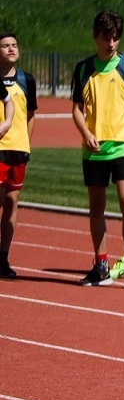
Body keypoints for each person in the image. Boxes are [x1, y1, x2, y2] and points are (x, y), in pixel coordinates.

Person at [71, 10, 124, 289]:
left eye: (116, 38)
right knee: (97, 207)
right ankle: (101, 264)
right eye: (107, 38)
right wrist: (86, 132)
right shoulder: (83, 69)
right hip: (93, 149)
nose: (112, 43)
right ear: (95, 37)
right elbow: (77, 110)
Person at [0, 31, 33, 280]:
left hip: (19, 149)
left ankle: (3, 258)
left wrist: (26, 143)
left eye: (14, 45)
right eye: (5, 46)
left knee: (12, 202)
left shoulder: (26, 80)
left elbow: (30, 114)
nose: (11, 49)